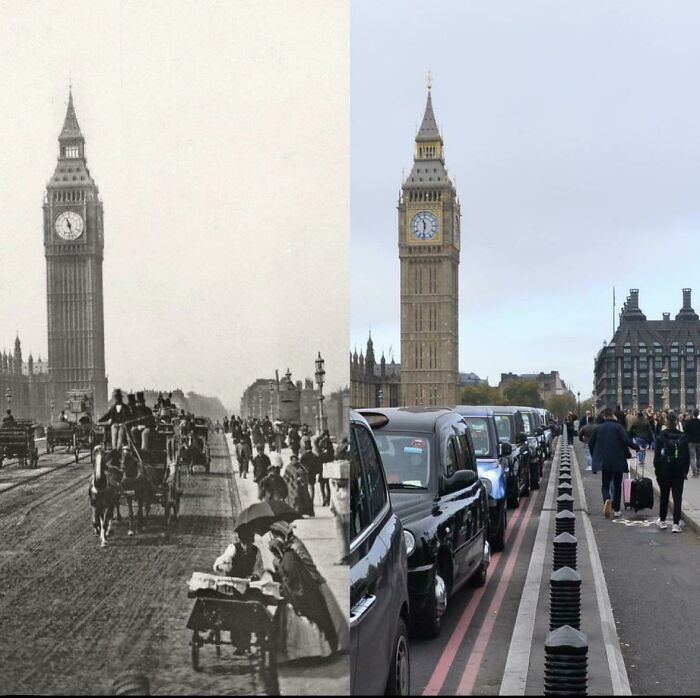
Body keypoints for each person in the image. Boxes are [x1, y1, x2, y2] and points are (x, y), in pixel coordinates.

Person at [267, 521, 348, 662]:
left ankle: (337, 645)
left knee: (326, 613)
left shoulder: (294, 548)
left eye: (276, 534)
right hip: (301, 584)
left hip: (309, 583)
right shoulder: (286, 550)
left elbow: (306, 568)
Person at [588, 408, 640, 518]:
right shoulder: (618, 427)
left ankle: (607, 499)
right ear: (612, 415)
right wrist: (636, 447)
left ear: (604, 416)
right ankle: (616, 509)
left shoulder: (598, 428)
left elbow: (591, 443)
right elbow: (626, 441)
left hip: (604, 461)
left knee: (605, 484)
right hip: (618, 460)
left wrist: (595, 457)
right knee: (617, 484)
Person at [653, 413, 690, 532]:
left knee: (664, 496)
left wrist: (657, 470)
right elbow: (687, 457)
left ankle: (662, 521)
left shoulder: (661, 436)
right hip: (679, 471)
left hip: (665, 471)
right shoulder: (683, 437)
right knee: (677, 497)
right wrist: (685, 471)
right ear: (676, 422)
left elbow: (657, 456)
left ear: (666, 422)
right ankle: (676, 524)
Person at [100, 389, 130, 464]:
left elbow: (129, 417)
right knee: (114, 432)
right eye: (116, 398)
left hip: (122, 425)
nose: (117, 399)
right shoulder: (113, 408)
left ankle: (117, 449)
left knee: (120, 434)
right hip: (115, 424)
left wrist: (124, 422)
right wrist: (99, 420)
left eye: (119, 397)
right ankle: (114, 449)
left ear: (121, 398)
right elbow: (107, 415)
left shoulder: (126, 407)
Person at [329, 472, 349, 564]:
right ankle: (348, 556)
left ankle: (343, 557)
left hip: (338, 514)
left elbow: (332, 504)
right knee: (347, 535)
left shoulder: (334, 492)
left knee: (341, 536)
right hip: (348, 514)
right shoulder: (348, 491)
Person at [683, 408, 700, 478]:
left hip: (691, 441)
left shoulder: (689, 422)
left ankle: (695, 472)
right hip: (699, 441)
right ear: (698, 414)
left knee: (692, 457)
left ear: (693, 414)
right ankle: (698, 469)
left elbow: (685, 430)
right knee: (699, 457)